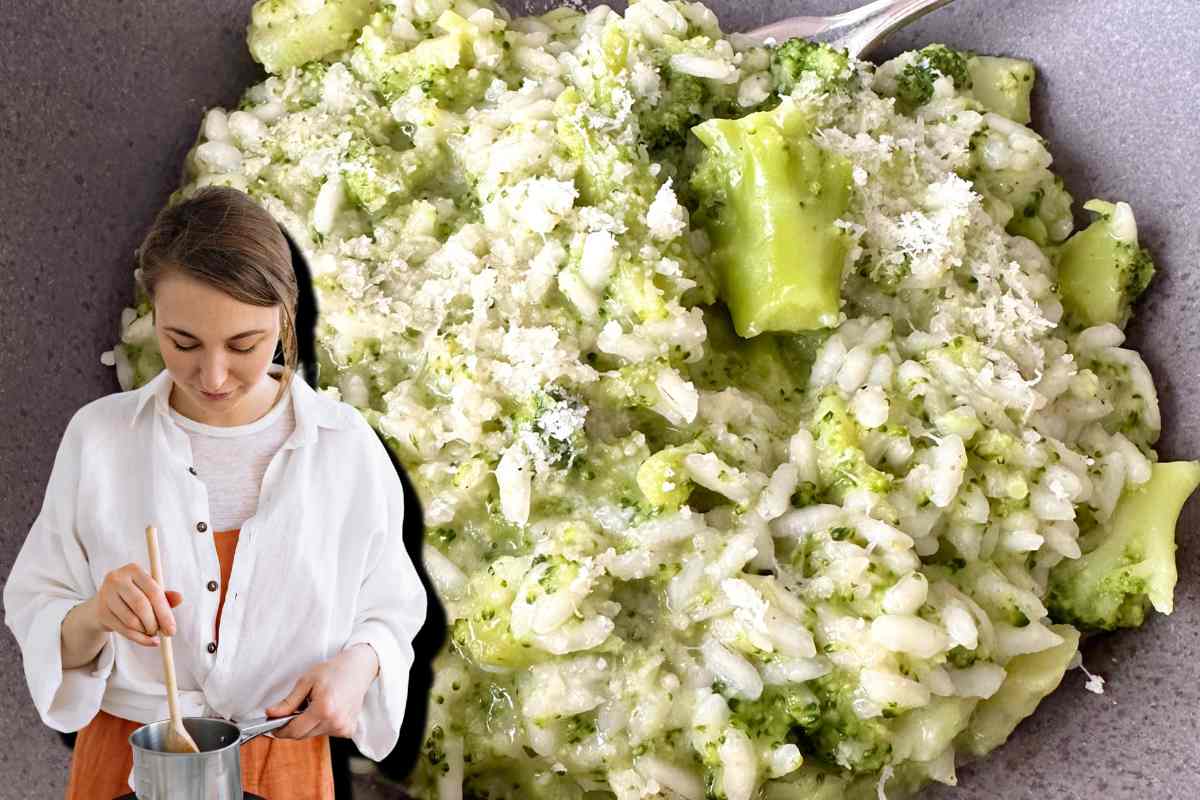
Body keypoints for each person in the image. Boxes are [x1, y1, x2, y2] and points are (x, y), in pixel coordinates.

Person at [3, 186, 428, 799]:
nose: (214, 375)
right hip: (129, 759)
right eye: (182, 343)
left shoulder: (346, 446)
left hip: (280, 758)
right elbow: (37, 611)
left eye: (243, 345)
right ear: (154, 318)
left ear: (285, 315)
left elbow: (390, 609)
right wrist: (96, 615)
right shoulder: (99, 438)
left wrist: (357, 668)